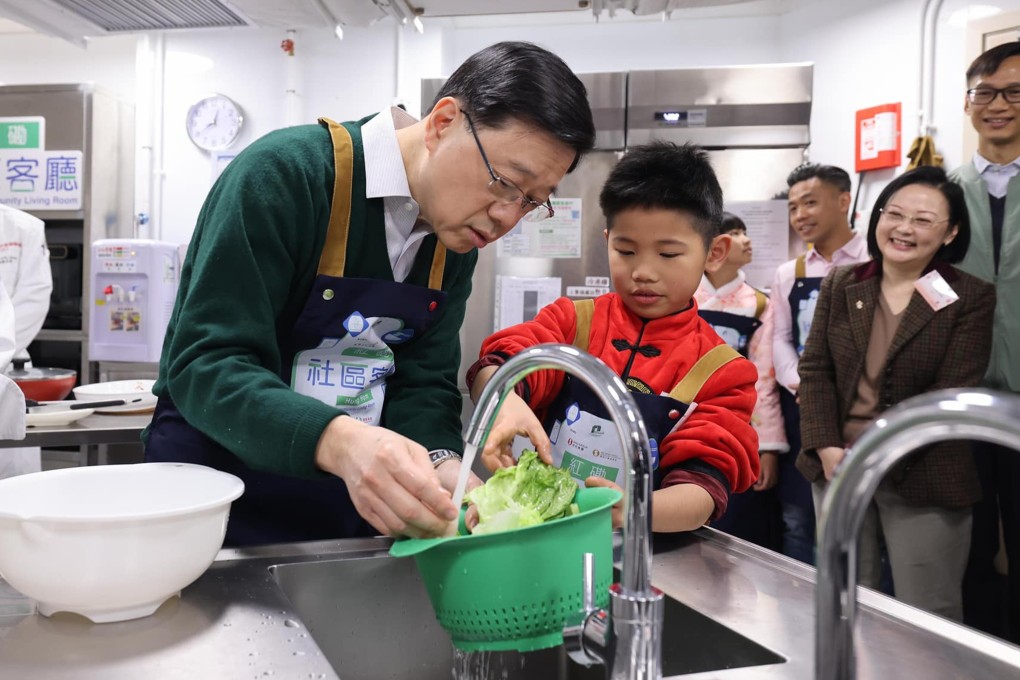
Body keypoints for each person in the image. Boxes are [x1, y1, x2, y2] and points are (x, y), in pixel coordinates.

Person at [143, 41, 597, 546]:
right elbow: (207, 363)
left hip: (339, 508)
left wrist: (445, 469)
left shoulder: (454, 238)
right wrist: (337, 440)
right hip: (214, 501)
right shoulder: (285, 175)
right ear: (444, 122)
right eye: (506, 184)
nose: (508, 218)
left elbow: (421, 384)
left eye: (532, 203)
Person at [466, 142, 759, 532]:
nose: (643, 272)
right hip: (536, 532)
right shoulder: (573, 322)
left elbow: (704, 487)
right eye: (626, 250)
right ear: (607, 240)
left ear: (714, 253)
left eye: (668, 255)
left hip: (643, 550)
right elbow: (500, 364)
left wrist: (637, 509)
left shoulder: (721, 372)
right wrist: (502, 397)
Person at [797, 165, 995, 620]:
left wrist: (882, 452)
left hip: (924, 474)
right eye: (895, 214)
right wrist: (826, 446)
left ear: (951, 233)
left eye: (923, 220)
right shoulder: (843, 284)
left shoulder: (969, 297)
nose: (904, 229)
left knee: (928, 613)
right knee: (844, 604)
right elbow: (815, 369)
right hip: (837, 469)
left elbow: (952, 390)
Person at [951, 41, 1020, 642]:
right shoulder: (939, 194)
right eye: (986, 93)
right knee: (965, 545)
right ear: (968, 103)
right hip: (957, 401)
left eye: (1015, 92)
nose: (999, 105)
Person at [769, 163, 870, 564]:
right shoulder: (788, 273)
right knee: (800, 516)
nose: (800, 216)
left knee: (863, 521)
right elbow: (780, 339)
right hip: (803, 409)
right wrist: (803, 385)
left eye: (810, 203)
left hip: (861, 409)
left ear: (844, 201)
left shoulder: (874, 260)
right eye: (793, 208)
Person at [695, 212, 784, 549]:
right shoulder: (684, 293)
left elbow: (764, 378)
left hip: (734, 426)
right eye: (734, 232)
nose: (746, 239)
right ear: (713, 247)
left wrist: (767, 447)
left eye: (746, 232)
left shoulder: (760, 304)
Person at [0, 203, 52, 479]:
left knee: (11, 488)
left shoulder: (24, 227)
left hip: (8, 369)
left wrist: (2, 351)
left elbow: (34, 300)